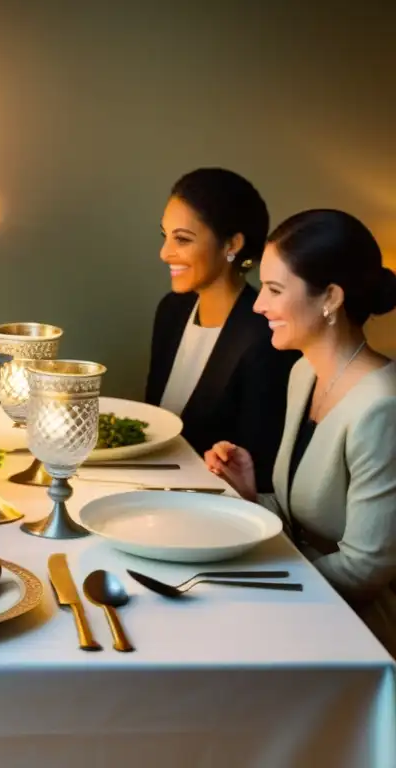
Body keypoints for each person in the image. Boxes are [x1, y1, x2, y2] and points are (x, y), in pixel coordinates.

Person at [206, 209, 396, 655]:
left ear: (330, 297)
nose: (257, 305)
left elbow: (365, 571)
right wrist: (254, 495)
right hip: (302, 603)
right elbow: (307, 522)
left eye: (274, 290)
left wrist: (251, 577)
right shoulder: (303, 375)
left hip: (358, 635)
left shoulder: (382, 408)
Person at [146, 168, 298, 491]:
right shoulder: (171, 311)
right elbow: (153, 425)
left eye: (182, 239)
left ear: (232, 244)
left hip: (214, 509)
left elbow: (260, 471)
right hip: (151, 490)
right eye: (165, 236)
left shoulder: (265, 335)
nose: (164, 253)